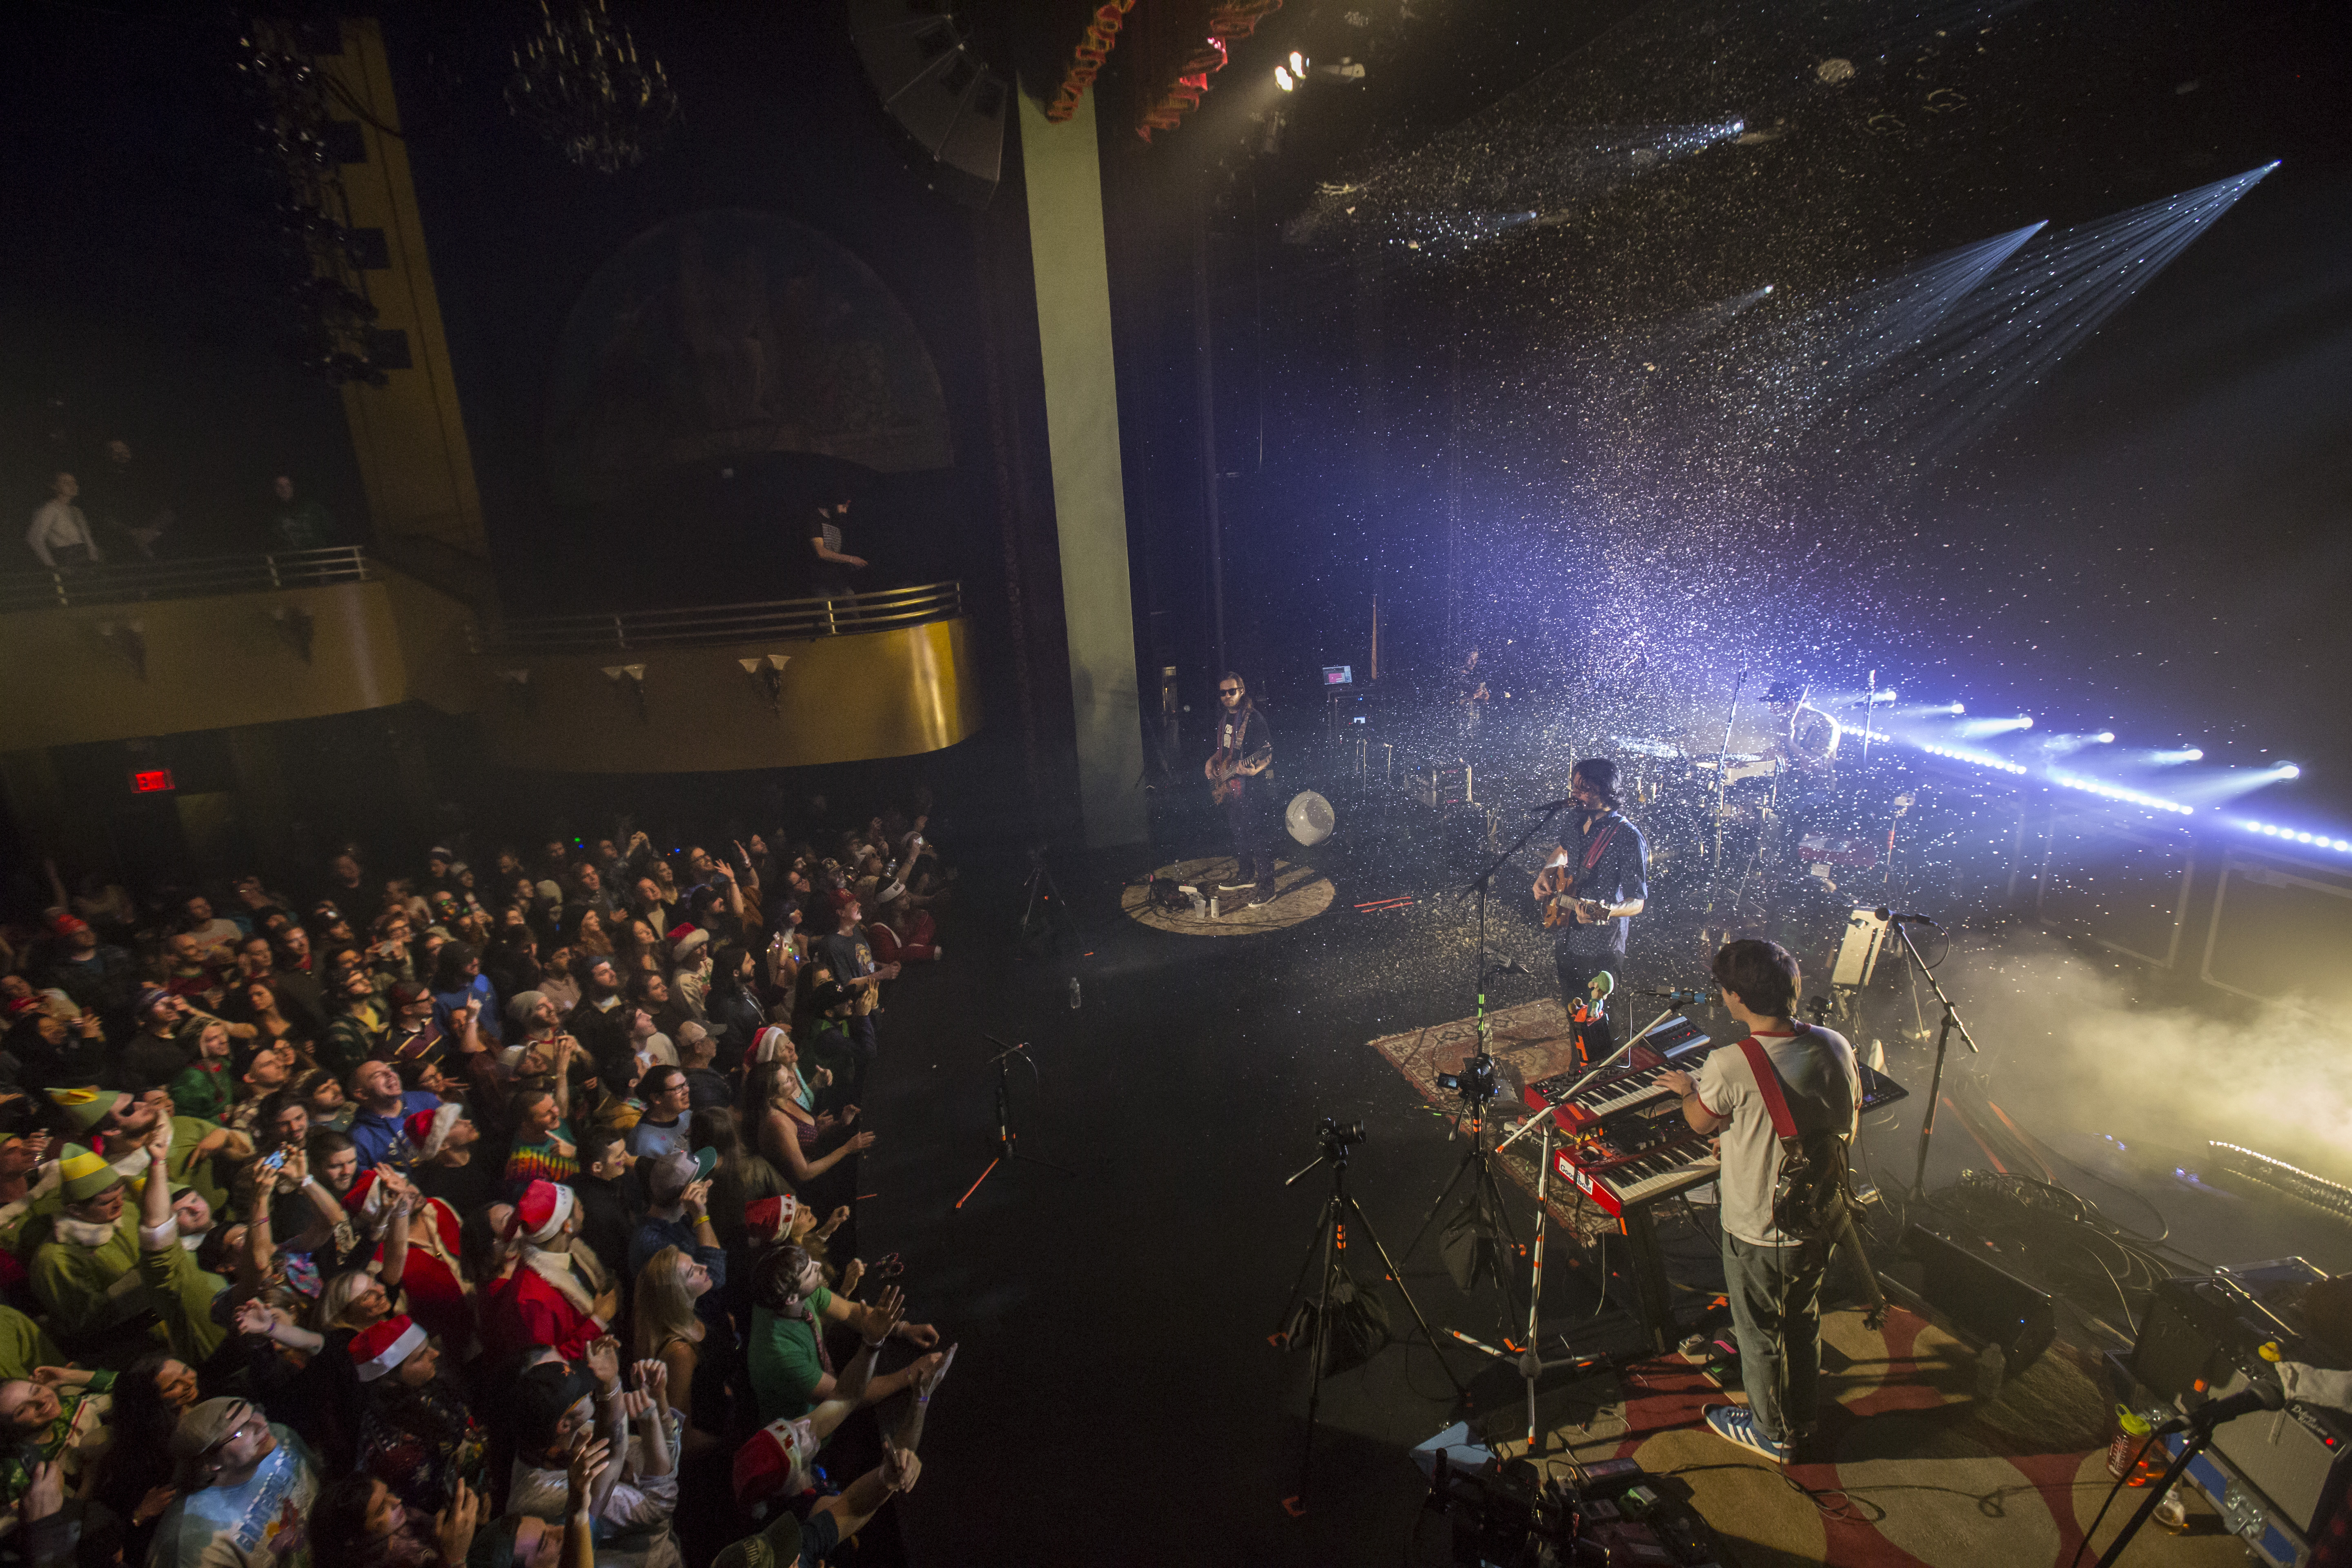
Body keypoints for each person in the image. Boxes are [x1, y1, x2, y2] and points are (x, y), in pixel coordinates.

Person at [1658, 938, 1860, 1466]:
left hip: (1760, 1227)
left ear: (1737, 999)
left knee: (1758, 1332)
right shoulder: (1836, 1044)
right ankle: (1806, 1413)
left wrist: (1685, 1089)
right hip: (1820, 1215)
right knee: (1802, 1317)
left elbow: (1701, 1121)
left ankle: (1773, 1433)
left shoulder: (1730, 1062)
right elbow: (1843, 1125)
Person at [1528, 758, 1648, 1066]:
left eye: (1585, 789)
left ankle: (1610, 1077)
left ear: (1607, 793)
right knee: (1575, 1012)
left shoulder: (1627, 837)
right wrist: (1547, 870)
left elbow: (1638, 902)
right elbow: (1563, 851)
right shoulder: (1573, 821)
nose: (1576, 793)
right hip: (1567, 935)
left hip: (1601, 946)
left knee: (1604, 1018)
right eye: (1575, 786)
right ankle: (1578, 1068)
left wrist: (1608, 911)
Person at [149, 1396, 322, 1568]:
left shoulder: (280, 1438)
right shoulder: (194, 1542)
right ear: (210, 1463)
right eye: (239, 1432)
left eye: (254, 1412)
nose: (262, 1424)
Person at [1206, 672, 1278, 905]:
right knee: (1239, 833)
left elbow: (1267, 753)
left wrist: (1254, 770)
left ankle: (1268, 886)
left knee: (1258, 836)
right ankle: (1246, 874)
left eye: (1232, 691)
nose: (1227, 696)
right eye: (1223, 693)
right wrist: (1211, 762)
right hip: (1230, 787)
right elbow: (1225, 752)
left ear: (1242, 691)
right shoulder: (1225, 719)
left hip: (1251, 788)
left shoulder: (1254, 719)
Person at [26, 472, 100, 570]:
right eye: (66, 483)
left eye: (74, 482)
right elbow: (34, 538)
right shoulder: (49, 510)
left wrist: (94, 559)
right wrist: (52, 566)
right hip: (66, 559)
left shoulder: (76, 511)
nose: (73, 486)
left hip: (85, 561)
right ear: (55, 487)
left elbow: (88, 539)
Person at [805, 493, 866, 599]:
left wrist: (851, 563)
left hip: (839, 579)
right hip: (820, 581)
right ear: (833, 504)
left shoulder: (837, 521)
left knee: (853, 610)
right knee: (829, 613)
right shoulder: (815, 518)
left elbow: (838, 552)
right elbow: (822, 553)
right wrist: (851, 559)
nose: (845, 511)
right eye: (843, 507)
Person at [267, 474, 337, 552]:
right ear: (274, 489)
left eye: (288, 485)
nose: (284, 490)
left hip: (319, 556)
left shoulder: (312, 507)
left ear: (293, 487)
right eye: (280, 487)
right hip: (291, 559)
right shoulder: (271, 513)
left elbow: (331, 528)